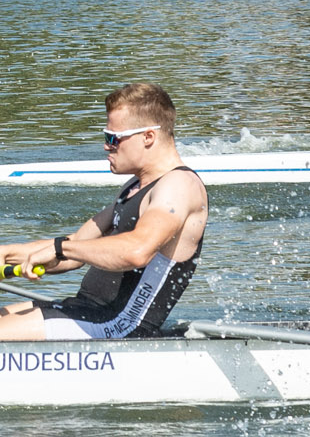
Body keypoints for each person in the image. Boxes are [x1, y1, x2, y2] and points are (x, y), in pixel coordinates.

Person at [0, 83, 208, 342]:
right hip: (89, 311)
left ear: (148, 137)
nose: (106, 146)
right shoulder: (134, 187)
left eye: (113, 138)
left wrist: (59, 249)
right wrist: (7, 253)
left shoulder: (178, 186)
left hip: (121, 325)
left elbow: (137, 251)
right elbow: (76, 247)